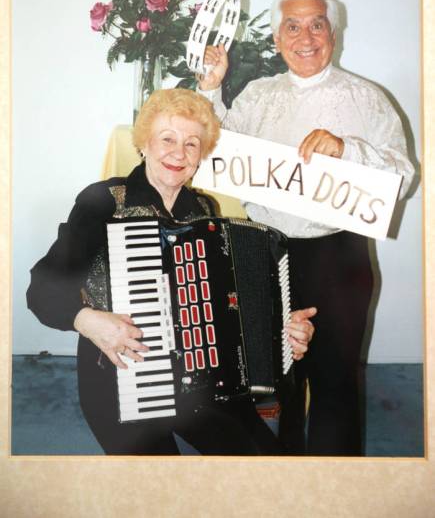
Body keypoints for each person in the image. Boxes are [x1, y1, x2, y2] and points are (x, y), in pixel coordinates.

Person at [27, 87, 316, 456]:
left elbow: (233, 312)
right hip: (121, 376)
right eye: (167, 139)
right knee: (158, 485)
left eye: (192, 144)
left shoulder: (204, 211)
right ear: (144, 142)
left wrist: (282, 331)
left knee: (265, 465)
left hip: (203, 383)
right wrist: (89, 321)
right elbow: (41, 290)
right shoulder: (102, 202)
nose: (179, 153)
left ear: (201, 156)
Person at [197, 0, 415, 456]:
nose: (305, 36)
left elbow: (405, 174)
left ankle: (337, 484)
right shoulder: (257, 95)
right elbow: (216, 147)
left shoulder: (367, 97)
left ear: (332, 33)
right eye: (292, 26)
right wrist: (211, 88)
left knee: (335, 377)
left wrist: (348, 150)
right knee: (276, 376)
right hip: (267, 251)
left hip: (338, 253)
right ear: (277, 38)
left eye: (317, 23)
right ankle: (288, 478)